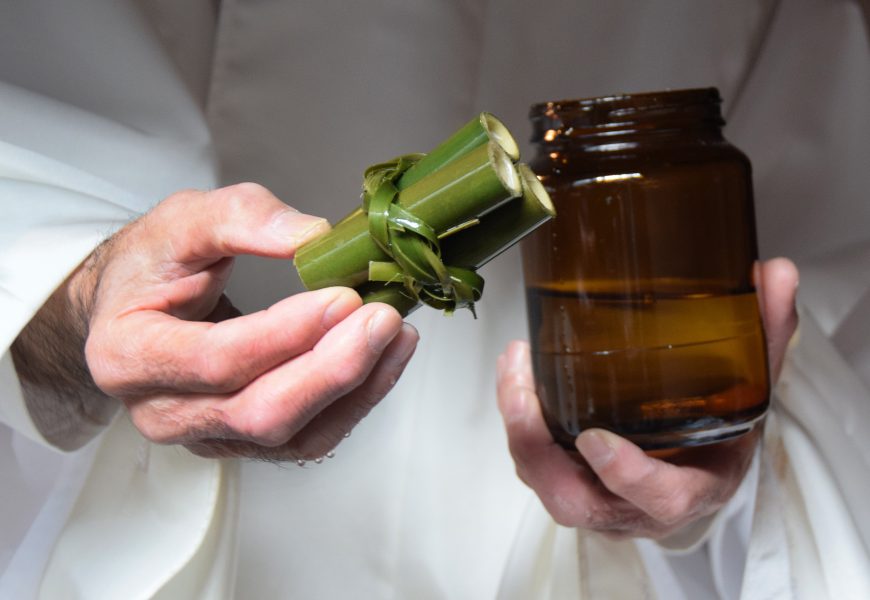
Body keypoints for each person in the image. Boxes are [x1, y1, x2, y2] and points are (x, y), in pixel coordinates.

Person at [1, 1, 868, 599]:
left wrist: (703, 486)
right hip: (151, 522)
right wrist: (70, 305)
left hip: (562, 564)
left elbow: (833, 308)